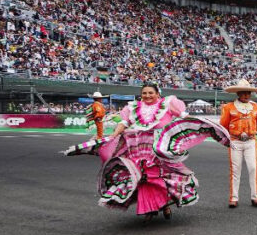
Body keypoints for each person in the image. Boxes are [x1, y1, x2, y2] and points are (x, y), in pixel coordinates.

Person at [68, 83, 228, 222]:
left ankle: (164, 205)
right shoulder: (133, 107)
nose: (147, 96)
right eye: (144, 93)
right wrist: (113, 136)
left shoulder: (168, 103)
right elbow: (124, 123)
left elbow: (184, 117)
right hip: (139, 148)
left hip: (160, 147)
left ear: (158, 94)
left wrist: (196, 125)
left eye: (151, 93)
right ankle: (150, 209)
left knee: (163, 177)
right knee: (143, 178)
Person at [220, 79, 257, 208]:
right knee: (235, 170)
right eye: (244, 93)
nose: (247, 95)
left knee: (253, 168)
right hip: (235, 142)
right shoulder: (229, 107)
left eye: (249, 93)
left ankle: (255, 196)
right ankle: (234, 197)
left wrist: (253, 133)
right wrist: (231, 137)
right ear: (238, 93)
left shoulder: (255, 107)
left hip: (251, 142)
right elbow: (223, 125)